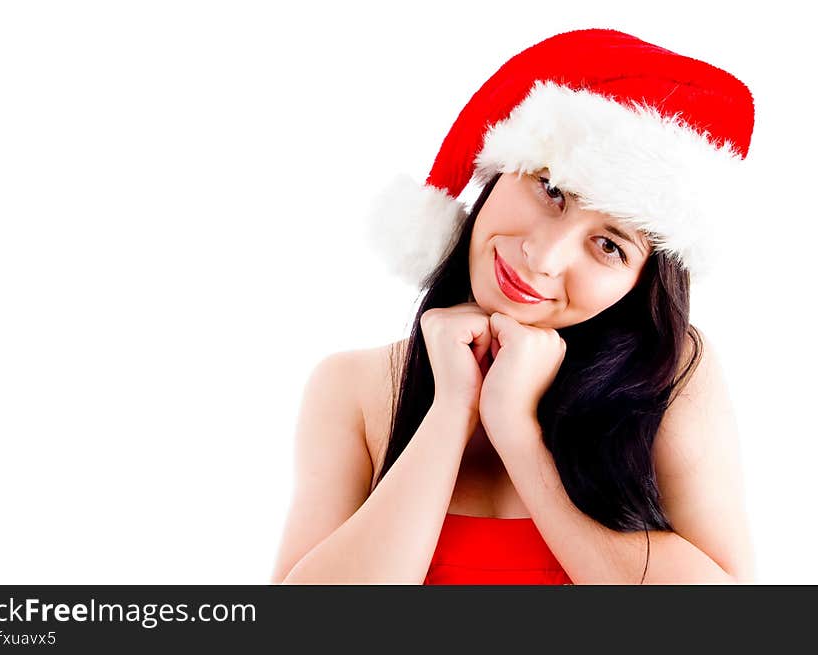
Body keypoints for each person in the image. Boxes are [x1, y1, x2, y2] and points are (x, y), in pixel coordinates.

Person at [270, 28, 756, 585]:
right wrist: (453, 408)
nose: (543, 257)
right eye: (551, 190)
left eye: (608, 245)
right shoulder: (353, 385)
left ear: (641, 282)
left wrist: (519, 433)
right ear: (499, 170)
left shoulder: (668, 376)